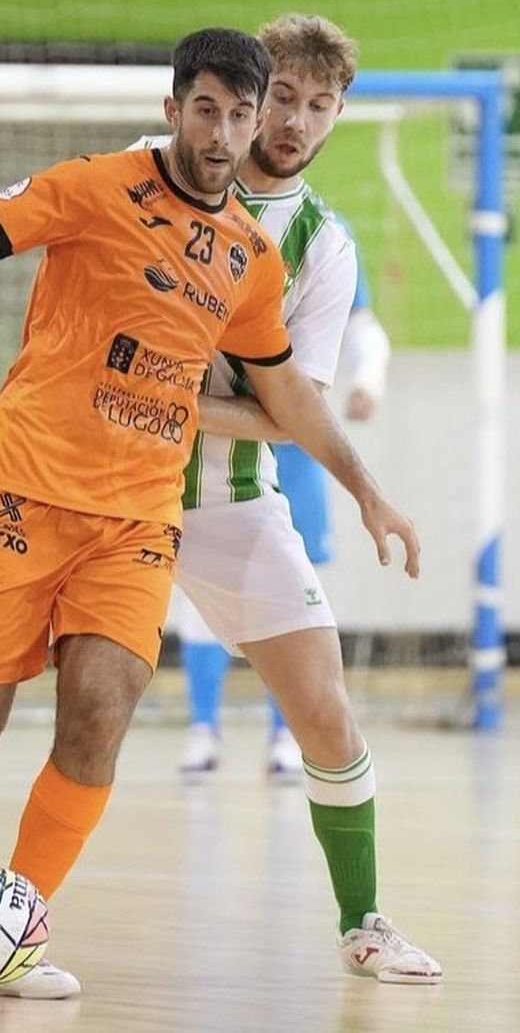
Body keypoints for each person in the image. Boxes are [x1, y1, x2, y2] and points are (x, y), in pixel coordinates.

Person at [0, 25, 421, 1000]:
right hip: (64, 481)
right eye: (272, 100)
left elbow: (290, 403)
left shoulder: (306, 249)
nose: (285, 121)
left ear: (335, 118)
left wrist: (359, 486)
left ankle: (358, 920)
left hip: (210, 501)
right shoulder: (122, 181)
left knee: (304, 707)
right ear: (208, 104)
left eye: (314, 106)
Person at [173, 221, 392, 778]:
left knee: (295, 593)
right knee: (196, 593)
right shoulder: (198, 218)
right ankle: (203, 727)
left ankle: (285, 736)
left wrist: (368, 381)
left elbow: (365, 330)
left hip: (288, 445)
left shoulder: (326, 237)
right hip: (206, 441)